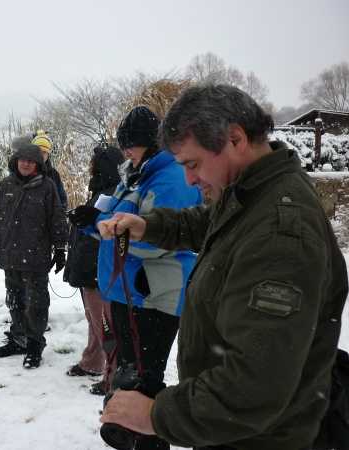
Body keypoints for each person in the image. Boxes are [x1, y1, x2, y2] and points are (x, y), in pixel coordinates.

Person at [98, 84, 349, 449]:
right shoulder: (254, 191)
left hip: (258, 439)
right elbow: (210, 223)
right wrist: (148, 226)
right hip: (233, 430)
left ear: (235, 139)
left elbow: (255, 385)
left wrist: (155, 415)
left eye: (193, 164)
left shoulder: (279, 234)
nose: (189, 179)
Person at [70, 106, 202, 450]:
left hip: (153, 294)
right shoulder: (135, 176)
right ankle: (131, 434)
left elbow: (160, 239)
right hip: (128, 291)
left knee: (144, 382)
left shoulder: (171, 178)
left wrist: (105, 227)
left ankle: (148, 440)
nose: (126, 150)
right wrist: (92, 220)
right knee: (130, 375)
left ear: (152, 144)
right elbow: (117, 222)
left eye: (132, 144)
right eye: (123, 144)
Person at [0, 142, 68, 368]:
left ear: (38, 164)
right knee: (14, 300)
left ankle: (34, 345)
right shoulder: (6, 185)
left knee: (36, 304)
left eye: (31, 161)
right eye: (22, 160)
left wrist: (60, 248)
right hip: (10, 255)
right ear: (16, 161)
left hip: (36, 257)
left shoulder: (47, 187)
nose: (26, 164)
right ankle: (18, 339)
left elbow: (57, 219)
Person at [63, 144, 123, 393]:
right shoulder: (102, 192)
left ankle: (113, 377)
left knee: (105, 326)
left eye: (94, 163)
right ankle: (92, 362)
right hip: (91, 270)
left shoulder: (110, 195)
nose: (90, 167)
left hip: (97, 272)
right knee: (95, 320)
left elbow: (100, 238)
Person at [31, 130, 68, 208]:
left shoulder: (54, 174)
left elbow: (62, 198)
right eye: (39, 151)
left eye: (44, 152)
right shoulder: (25, 171)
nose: (41, 155)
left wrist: (61, 211)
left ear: (48, 155)